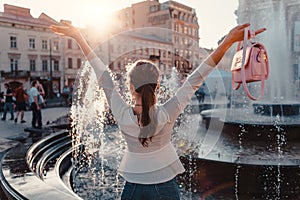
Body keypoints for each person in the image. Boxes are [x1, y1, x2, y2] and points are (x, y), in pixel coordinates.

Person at [51, 22, 266, 199]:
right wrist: (228, 41)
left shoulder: (121, 113)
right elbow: (197, 77)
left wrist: (79, 37)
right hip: (166, 185)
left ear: (129, 87)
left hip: (133, 186)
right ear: (157, 86)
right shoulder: (168, 112)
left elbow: (102, 74)